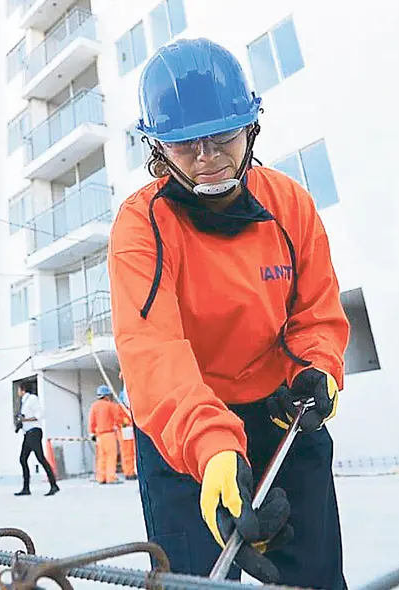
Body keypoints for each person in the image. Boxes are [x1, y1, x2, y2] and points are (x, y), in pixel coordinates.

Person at [108, 37, 350, 588]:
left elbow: (315, 314)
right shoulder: (140, 226)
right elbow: (153, 351)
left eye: (223, 137)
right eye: (186, 145)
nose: (208, 157)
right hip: (184, 433)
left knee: (316, 577)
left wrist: (317, 370)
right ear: (157, 148)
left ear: (252, 128)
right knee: (193, 581)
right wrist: (212, 447)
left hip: (281, 416)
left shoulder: (291, 205)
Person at [13, 385, 59, 497]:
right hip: (27, 433)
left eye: (18, 390)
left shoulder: (32, 399)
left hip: (34, 432)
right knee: (23, 459)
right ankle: (26, 488)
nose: (18, 392)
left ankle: (53, 485)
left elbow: (40, 415)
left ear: (23, 390)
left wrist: (25, 419)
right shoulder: (24, 403)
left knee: (40, 458)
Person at [88, 385, 121, 485]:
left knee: (101, 457)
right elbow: (118, 419)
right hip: (109, 434)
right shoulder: (111, 405)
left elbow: (91, 421)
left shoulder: (94, 406)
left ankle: (101, 478)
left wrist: (92, 432)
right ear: (106, 395)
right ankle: (111, 477)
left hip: (99, 436)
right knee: (111, 456)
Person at [116, 388, 137, 480]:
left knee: (131, 453)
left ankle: (131, 471)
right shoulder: (119, 408)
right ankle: (129, 472)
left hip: (128, 432)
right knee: (127, 453)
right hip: (125, 432)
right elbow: (118, 421)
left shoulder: (127, 408)